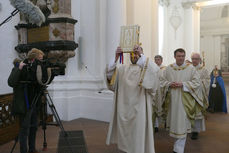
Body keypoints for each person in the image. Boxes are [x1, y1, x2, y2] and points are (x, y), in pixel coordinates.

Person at [106, 45, 159, 153]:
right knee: (125, 136)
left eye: (136, 53)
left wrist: (142, 55)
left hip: (140, 108)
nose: (134, 56)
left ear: (141, 54)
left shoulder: (146, 69)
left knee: (138, 134)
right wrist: (116, 57)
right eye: (132, 53)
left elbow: (155, 73)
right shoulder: (123, 69)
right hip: (124, 108)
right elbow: (110, 77)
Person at [160, 48, 203, 153]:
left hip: (185, 102)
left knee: (182, 125)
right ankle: (177, 147)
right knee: (174, 125)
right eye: (179, 56)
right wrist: (169, 84)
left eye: (183, 56)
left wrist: (183, 84)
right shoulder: (168, 69)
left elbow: (197, 83)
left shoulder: (191, 68)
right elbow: (161, 81)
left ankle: (178, 150)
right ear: (174, 57)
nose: (181, 58)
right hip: (172, 102)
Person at [8, 48, 45, 153]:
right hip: (24, 104)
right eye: (39, 60)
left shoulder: (35, 69)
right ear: (33, 59)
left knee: (33, 127)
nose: (40, 62)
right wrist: (18, 68)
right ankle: (23, 150)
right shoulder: (20, 66)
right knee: (24, 130)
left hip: (34, 102)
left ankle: (32, 149)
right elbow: (11, 82)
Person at [191, 52, 210, 140]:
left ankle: (195, 131)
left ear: (199, 60)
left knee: (198, 114)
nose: (194, 61)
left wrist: (198, 83)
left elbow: (207, 81)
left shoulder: (204, 70)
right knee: (189, 111)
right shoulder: (189, 69)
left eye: (196, 59)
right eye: (193, 59)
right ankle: (189, 129)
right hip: (190, 94)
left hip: (199, 95)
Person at [154, 55, 166, 132]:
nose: (157, 61)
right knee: (155, 107)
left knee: (164, 107)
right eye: (156, 60)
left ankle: (165, 122)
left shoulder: (165, 69)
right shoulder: (153, 68)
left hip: (163, 90)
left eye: (158, 59)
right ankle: (156, 125)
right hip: (155, 91)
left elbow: (166, 79)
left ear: (161, 61)